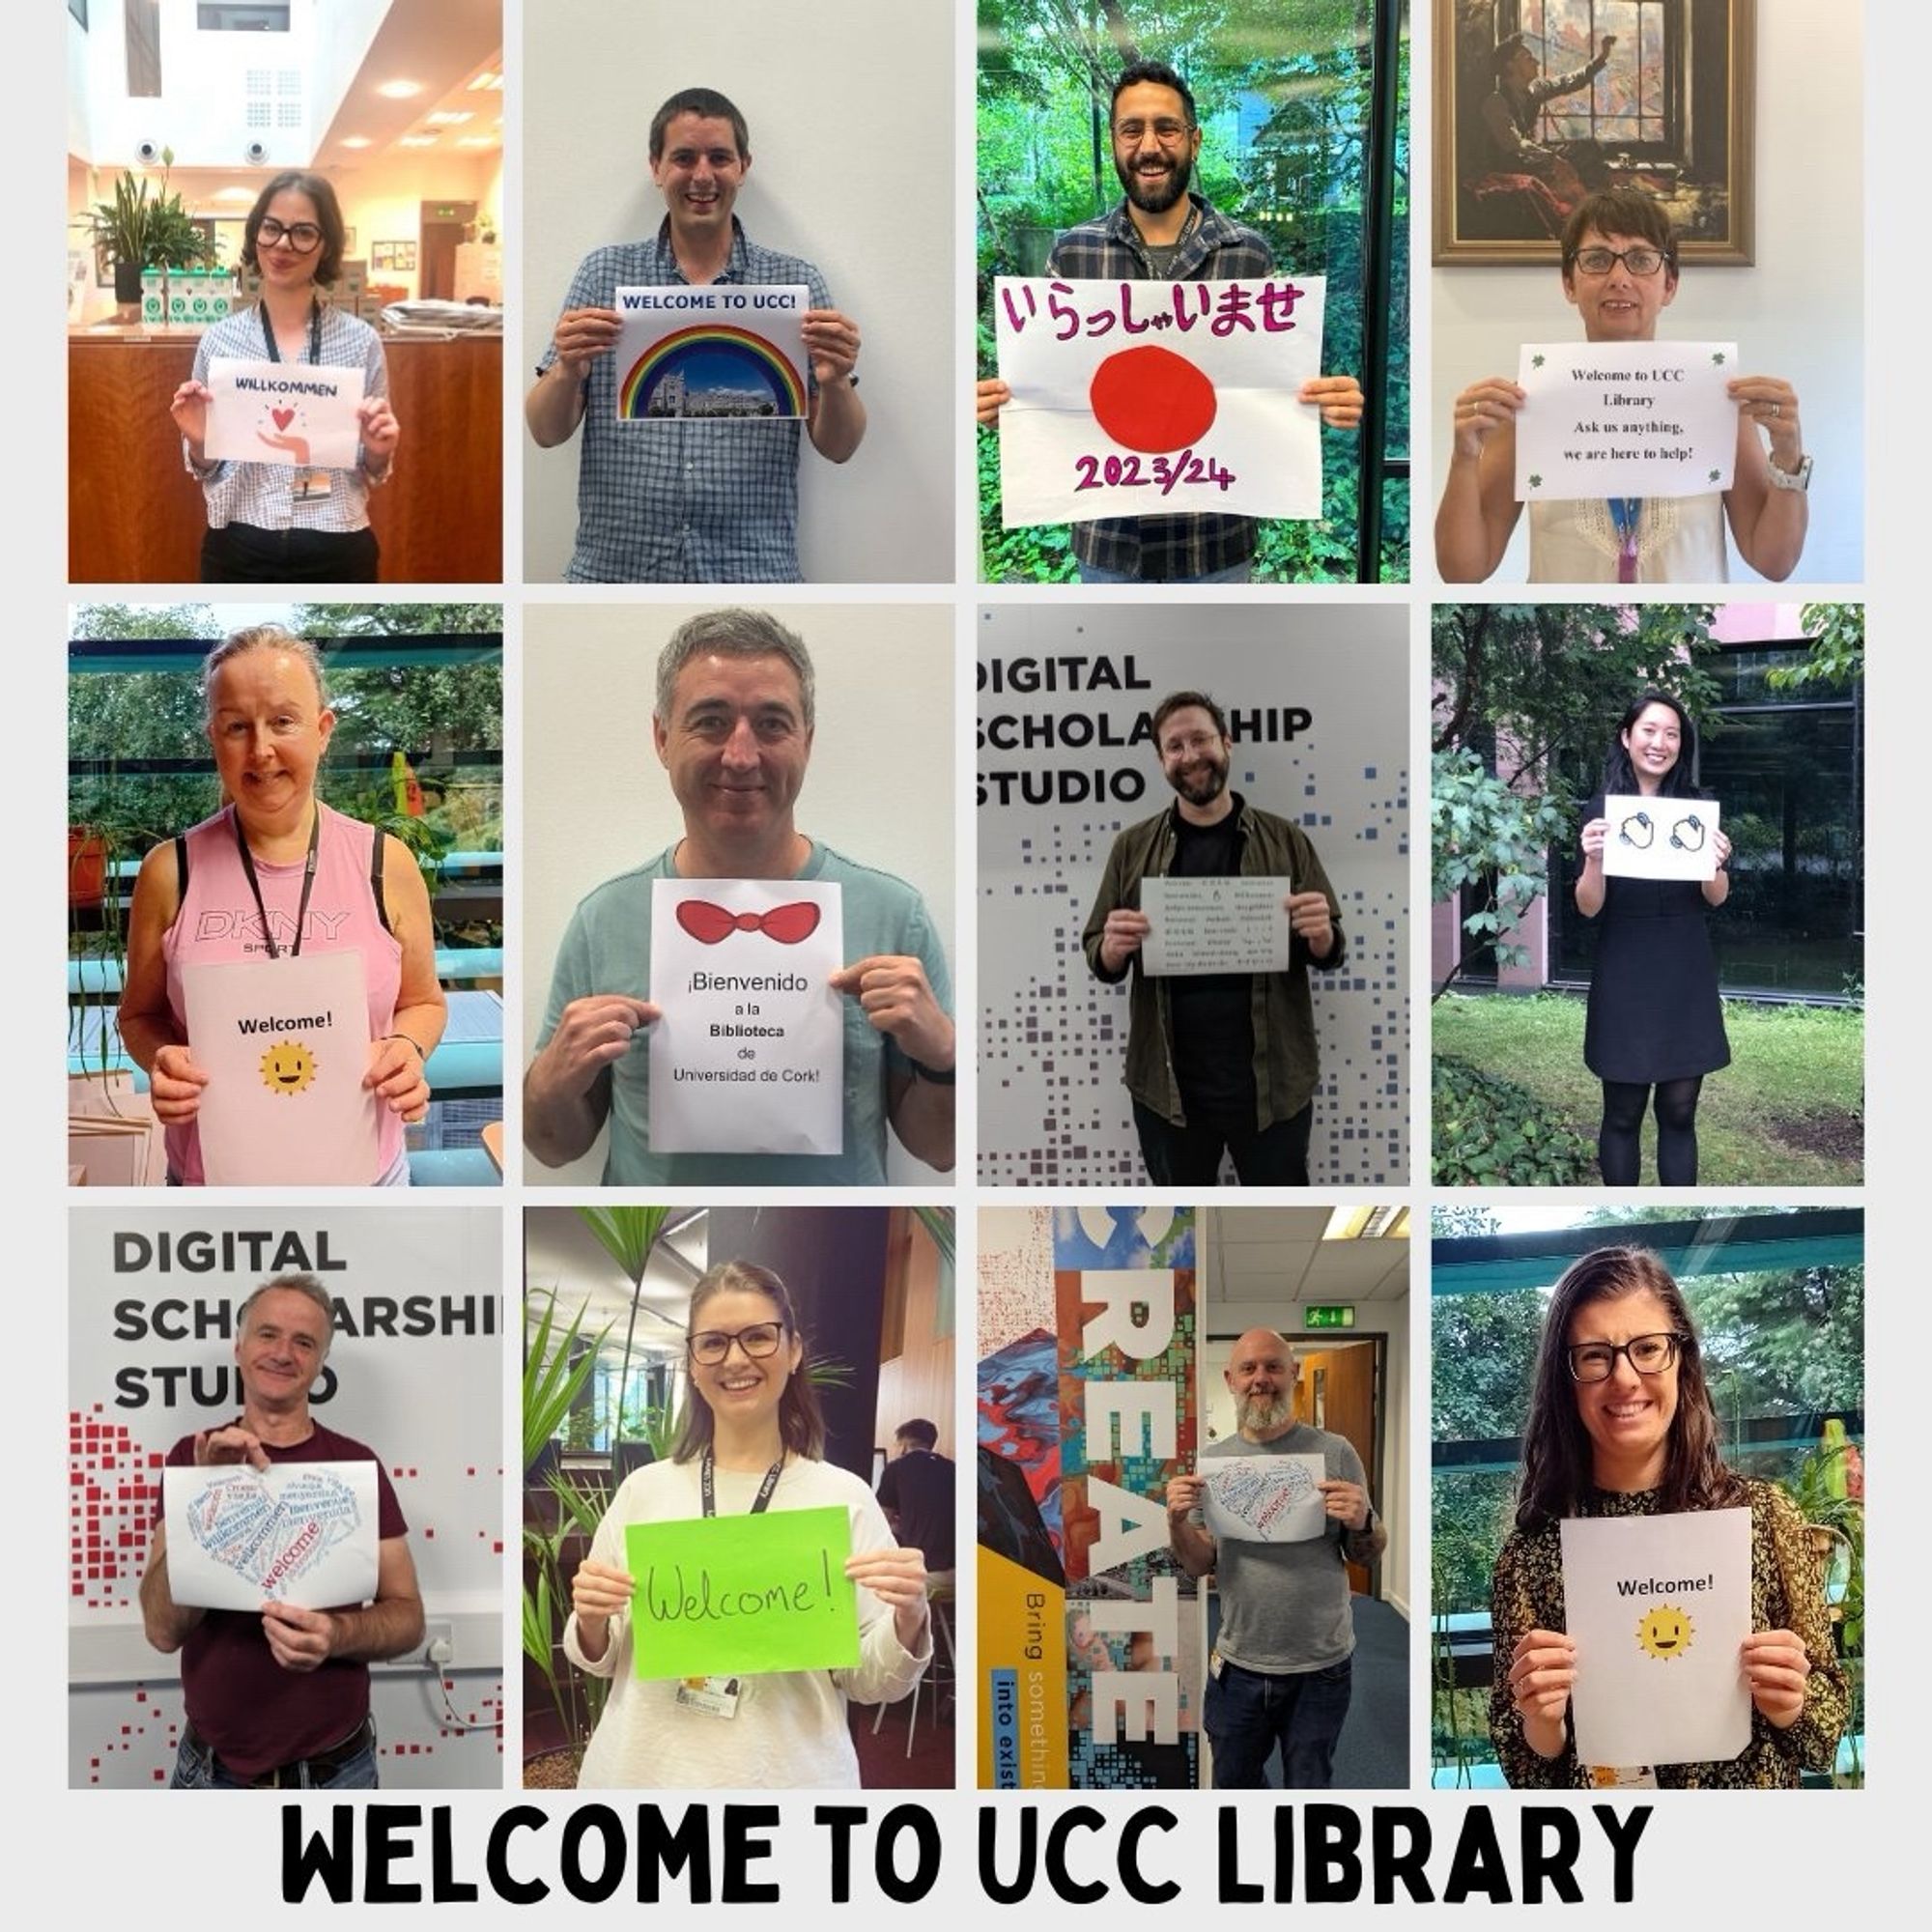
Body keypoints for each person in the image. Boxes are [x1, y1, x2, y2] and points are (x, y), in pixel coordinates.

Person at [524, 607, 955, 1183]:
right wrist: (551, 1079)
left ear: (808, 740)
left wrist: (943, 1057)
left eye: (773, 724)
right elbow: (553, 1148)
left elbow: (940, 1150)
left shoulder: (894, 915)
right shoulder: (604, 920)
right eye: (710, 721)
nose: (741, 754)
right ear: (661, 737)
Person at [974, 60, 1365, 583]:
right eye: (1131, 129)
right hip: (1110, 547)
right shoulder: (1073, 255)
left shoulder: (1246, 254)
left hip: (1216, 545)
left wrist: (1327, 401)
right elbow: (1046, 390)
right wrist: (1014, 410)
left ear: (1194, 141)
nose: (1149, 146)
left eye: (1167, 128)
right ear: (1115, 142)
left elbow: (1278, 389)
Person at [564, 1261, 931, 1788]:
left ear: (794, 1350)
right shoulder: (643, 1491)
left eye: (759, 1337)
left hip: (790, 1780)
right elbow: (600, 1657)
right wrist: (592, 1619)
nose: (736, 1358)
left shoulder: (842, 1498)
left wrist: (908, 1618)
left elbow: (871, 1683)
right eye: (713, 1343)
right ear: (692, 1362)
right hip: (643, 1775)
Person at [1492, 1246, 1846, 1788]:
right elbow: (1524, 1770)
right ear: (1566, 1381)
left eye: (1648, 1348)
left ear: (1682, 1360)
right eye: (1593, 1356)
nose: (1625, 1378)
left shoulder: (1764, 1518)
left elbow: (1824, 1738)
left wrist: (1790, 1700)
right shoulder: (1532, 1555)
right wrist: (1543, 1722)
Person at [117, 623, 447, 1185]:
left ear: (323, 731)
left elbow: (425, 1003)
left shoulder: (384, 863)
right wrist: (161, 1060)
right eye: (236, 727)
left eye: (283, 721)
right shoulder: (170, 870)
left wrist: (407, 1048)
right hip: (214, 1187)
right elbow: (139, 1017)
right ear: (213, 739)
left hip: (365, 1178)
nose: (261, 750)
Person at [526, 86, 865, 582]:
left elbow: (840, 447)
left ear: (743, 167)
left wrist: (835, 382)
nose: (702, 175)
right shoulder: (603, 275)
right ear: (656, 167)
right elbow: (544, 432)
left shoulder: (797, 285)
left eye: (720, 158)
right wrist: (567, 370)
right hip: (614, 572)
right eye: (684, 157)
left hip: (754, 570)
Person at [139, 1273, 425, 1788]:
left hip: (337, 1773)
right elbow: (163, 1630)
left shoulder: (357, 1467)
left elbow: (408, 1619)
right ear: (239, 1347)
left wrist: (337, 1635)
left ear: (319, 1364)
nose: (283, 1352)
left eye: (304, 1342)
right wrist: (211, 1497)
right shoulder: (191, 1460)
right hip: (210, 1773)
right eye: (268, 1334)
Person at [1436, 188, 1809, 582]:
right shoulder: (1526, 406)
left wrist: (1788, 454)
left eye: (1641, 260)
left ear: (1670, 285)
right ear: (1569, 283)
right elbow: (1462, 573)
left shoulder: (1717, 404)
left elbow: (1774, 562)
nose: (1619, 278)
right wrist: (1464, 455)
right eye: (1597, 260)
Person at [1080, 689, 1345, 1184]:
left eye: (1200, 739)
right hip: (1168, 1093)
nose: (1190, 756)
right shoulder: (1131, 847)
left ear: (1226, 742)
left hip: (1272, 1091)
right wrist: (1112, 950)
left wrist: (1321, 936)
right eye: (1174, 746)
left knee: (1277, 1221)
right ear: (1161, 760)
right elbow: (1097, 950)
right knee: (1185, 1225)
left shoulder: (1285, 840)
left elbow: (1330, 949)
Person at [1166, 1328, 1385, 1788]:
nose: (1260, 1379)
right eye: (1248, 1369)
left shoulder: (1335, 1451)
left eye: (1273, 1367)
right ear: (1230, 1379)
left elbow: (1366, 1553)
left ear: (1294, 1373)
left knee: (1309, 1787)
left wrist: (1363, 1519)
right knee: (1234, 1786)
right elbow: (1198, 1564)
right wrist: (1176, 1523)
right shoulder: (1215, 1462)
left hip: (1320, 1665)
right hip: (1239, 1662)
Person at [169, 173, 400, 582]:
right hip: (238, 547)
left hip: (336, 544)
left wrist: (379, 451)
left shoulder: (361, 341)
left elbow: (370, 470)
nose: (283, 244)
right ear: (256, 233)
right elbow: (207, 468)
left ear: (325, 244)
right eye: (272, 227)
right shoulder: (219, 342)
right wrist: (199, 442)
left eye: (304, 232)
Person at [1574, 691, 1731, 1185]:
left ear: (1680, 746)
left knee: (1680, 1113)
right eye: (1649, 730)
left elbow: (1717, 897)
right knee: (1622, 1113)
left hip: (1684, 967)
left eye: (1671, 733)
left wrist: (1715, 861)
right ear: (1626, 737)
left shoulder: (1697, 809)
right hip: (1625, 965)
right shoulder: (1601, 811)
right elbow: (1588, 905)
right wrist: (1594, 858)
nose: (1659, 742)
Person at [1475, 32, 1616, 208]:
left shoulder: (1536, 89)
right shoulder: (1495, 103)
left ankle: (1595, 203)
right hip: (1510, 163)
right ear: (1509, 65)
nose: (1537, 62)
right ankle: (1585, 205)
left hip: (1533, 155)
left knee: (1590, 148)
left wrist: (1601, 58)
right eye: (1528, 58)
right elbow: (1514, 145)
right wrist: (1553, 158)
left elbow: (1570, 82)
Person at [877, 1419, 956, 1581]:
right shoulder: (952, 1468)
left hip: (922, 1569)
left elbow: (881, 1520)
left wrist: (902, 1524)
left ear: (904, 1444)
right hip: (955, 1568)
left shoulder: (896, 1468)